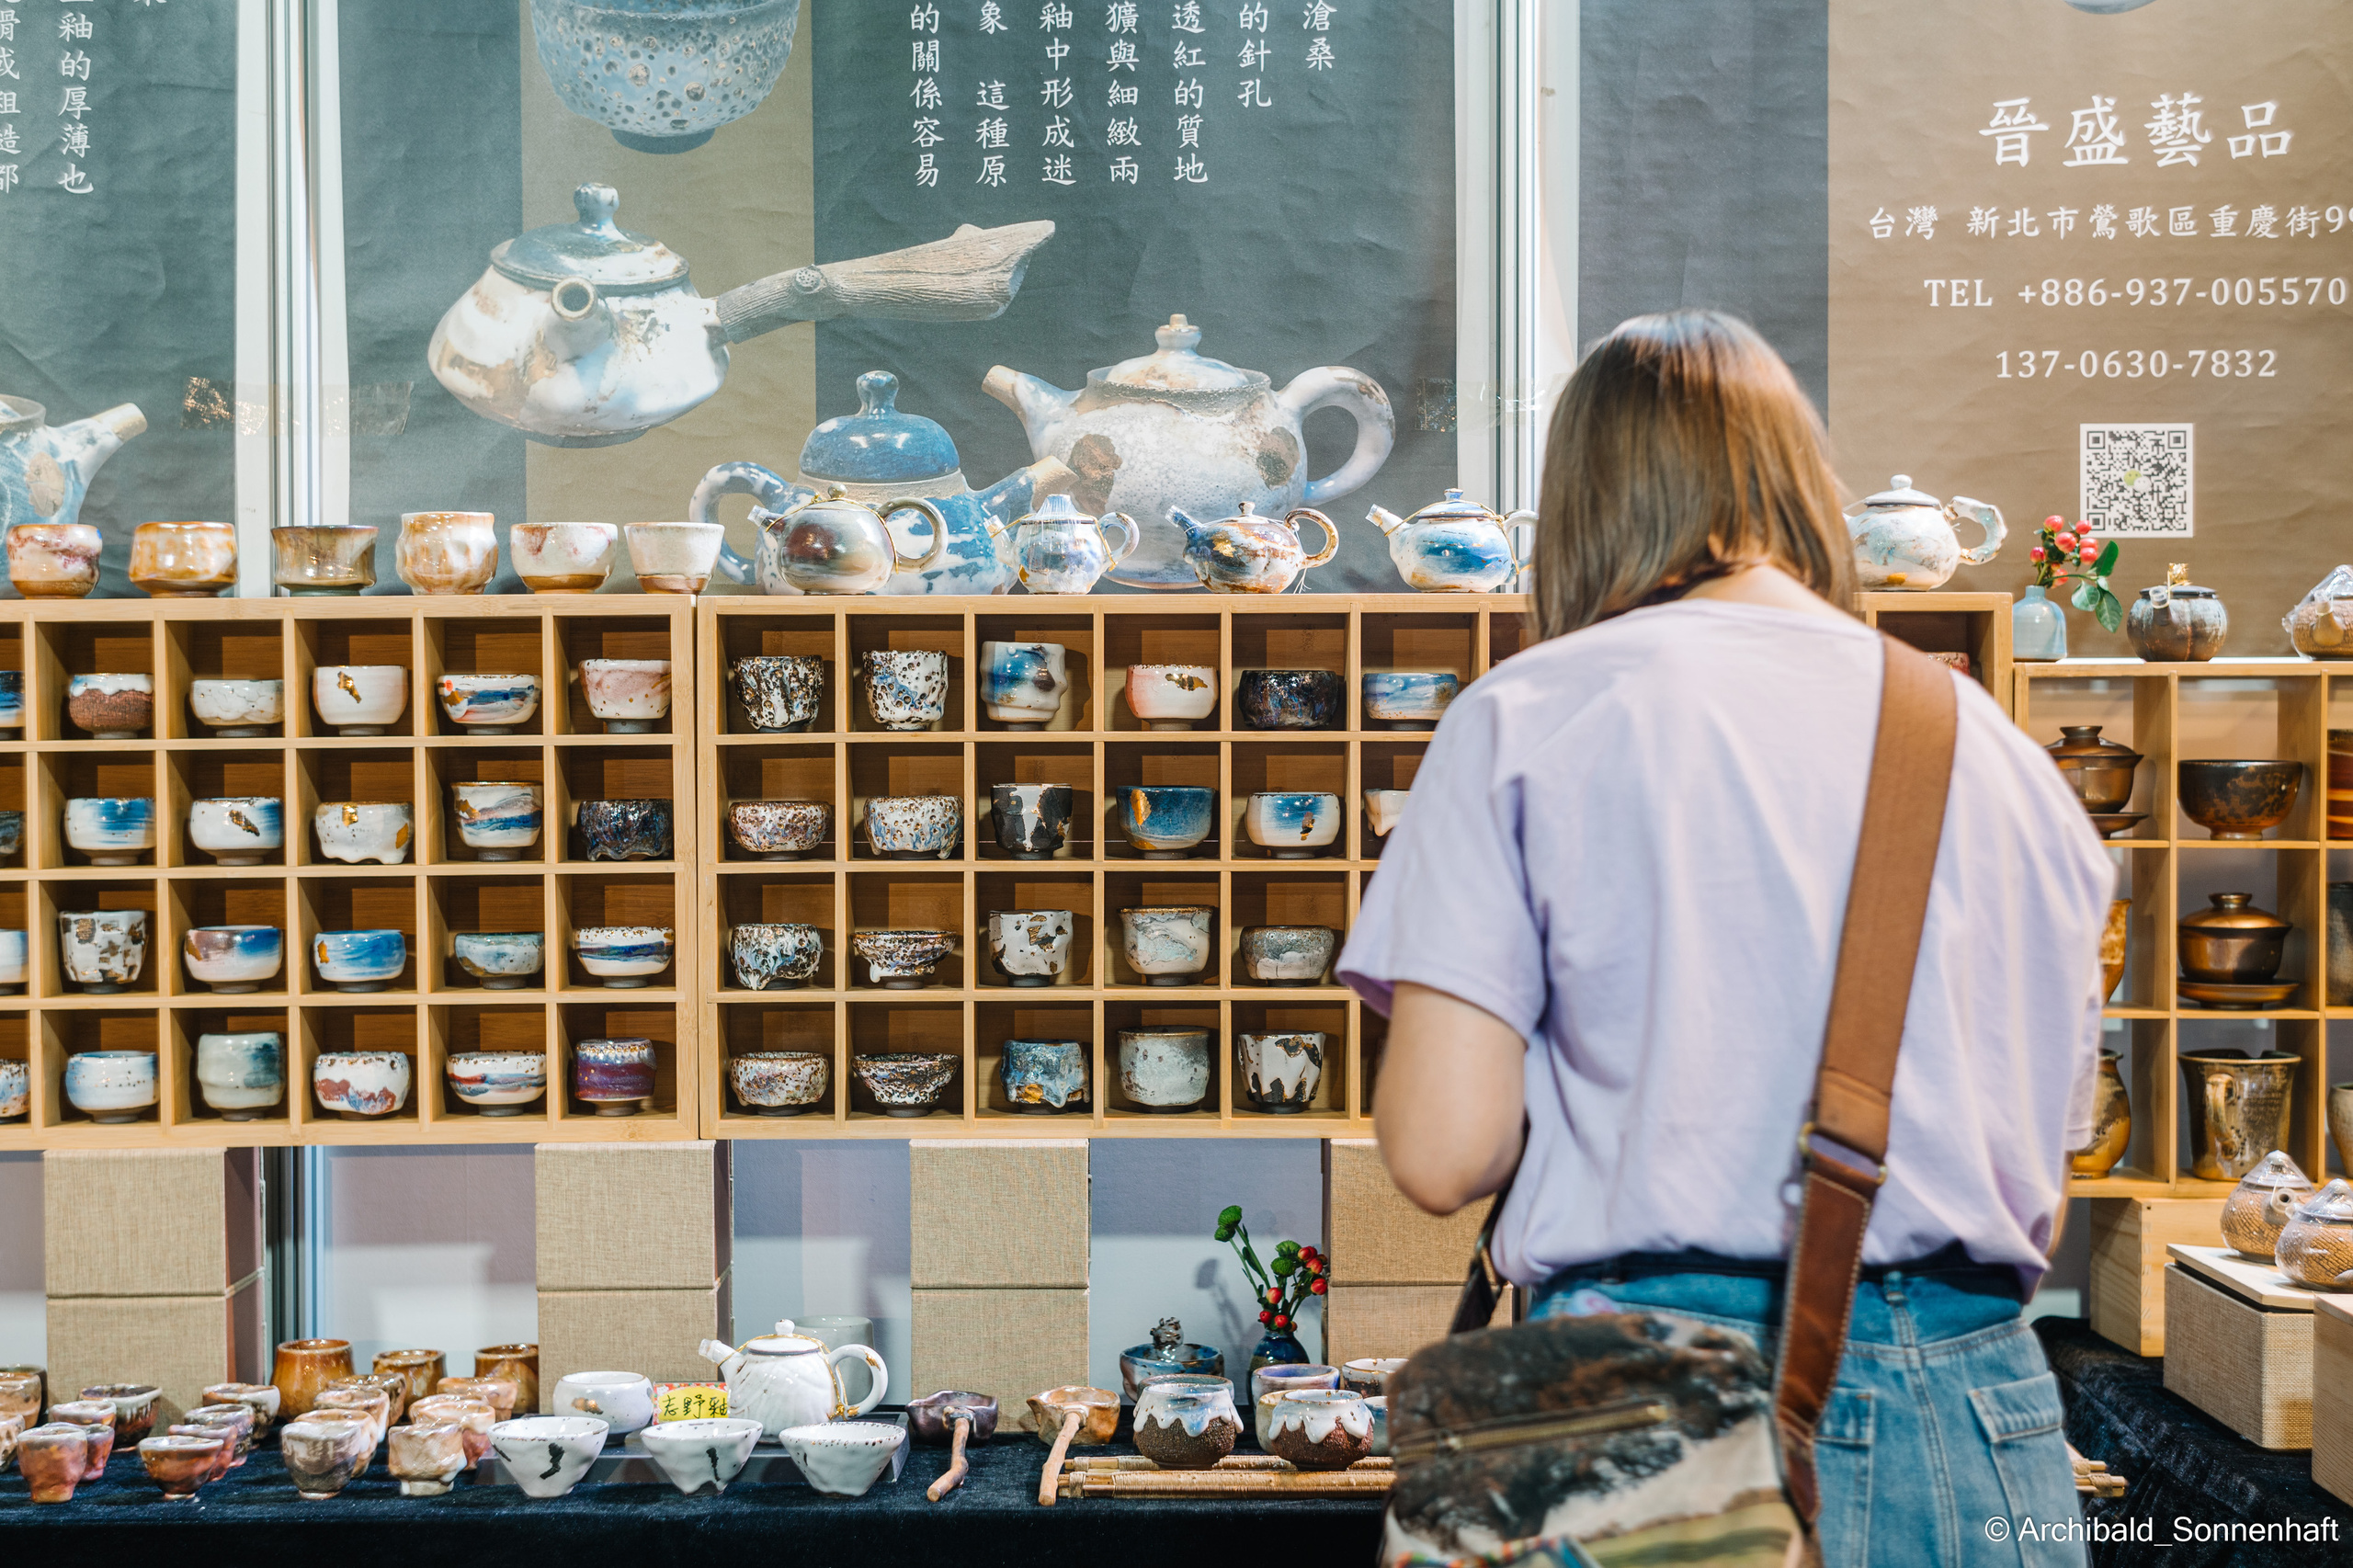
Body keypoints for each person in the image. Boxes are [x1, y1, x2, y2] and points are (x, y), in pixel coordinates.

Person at [1337, 310, 2111, 1567]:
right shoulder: (2009, 761)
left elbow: (1440, 1151)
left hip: (1647, 1409)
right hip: (1982, 1411)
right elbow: (2047, 1152)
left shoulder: (1530, 716)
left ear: (1586, 499)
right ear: (1798, 483)